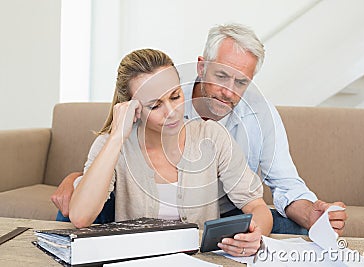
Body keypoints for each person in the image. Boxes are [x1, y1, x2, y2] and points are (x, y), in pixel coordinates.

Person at [52, 23, 347, 236]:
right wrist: (105, 149)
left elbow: (276, 188)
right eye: (221, 76)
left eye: (241, 82)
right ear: (201, 67)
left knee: (288, 225)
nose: (228, 92)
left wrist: (304, 214)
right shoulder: (124, 135)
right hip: (133, 216)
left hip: (221, 214)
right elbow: (84, 209)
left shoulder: (236, 125)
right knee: (71, 210)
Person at [68, 48, 272, 257]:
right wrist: (117, 137)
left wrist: (255, 234)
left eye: (175, 96)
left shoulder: (212, 136)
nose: (172, 112)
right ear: (132, 108)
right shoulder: (111, 145)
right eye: (155, 106)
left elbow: (257, 206)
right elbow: (80, 217)